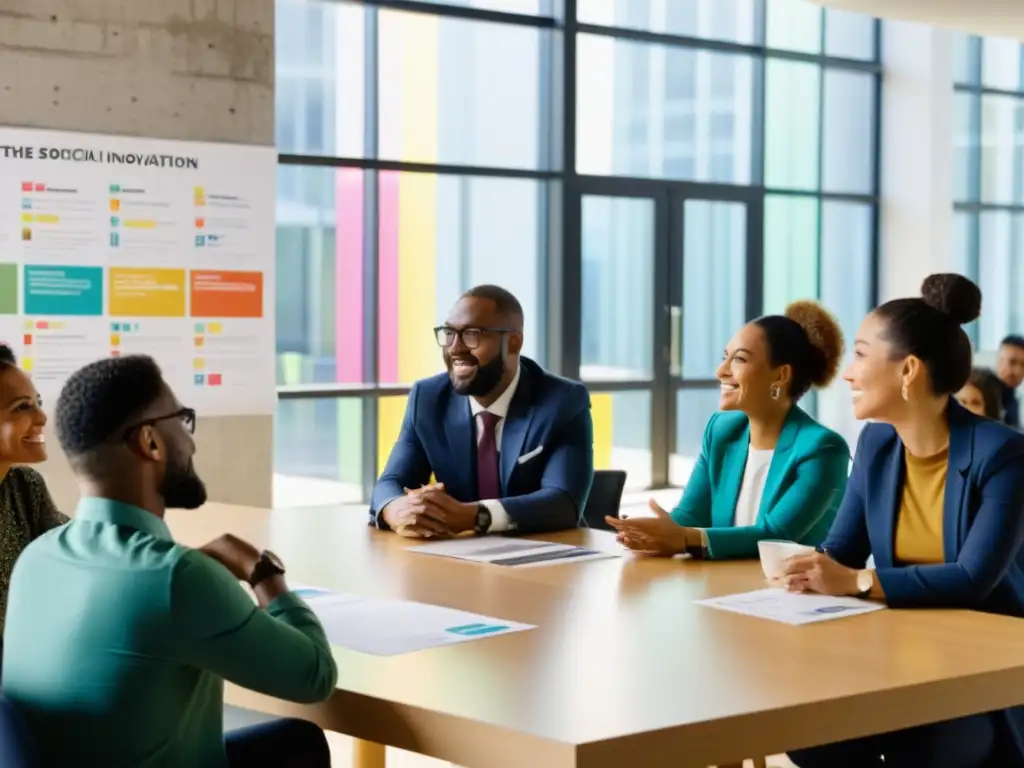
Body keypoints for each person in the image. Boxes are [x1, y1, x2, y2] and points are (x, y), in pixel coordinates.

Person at [2, 355, 338, 768]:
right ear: (150, 442)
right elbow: (315, 676)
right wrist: (262, 572)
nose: (192, 441)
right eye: (183, 421)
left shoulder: (35, 557)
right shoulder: (178, 578)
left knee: (295, 742)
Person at [780, 274, 1024, 768]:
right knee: (811, 736)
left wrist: (859, 581)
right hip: (898, 658)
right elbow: (841, 551)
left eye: (862, 354)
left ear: (908, 370)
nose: (848, 374)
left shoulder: (1004, 455)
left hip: (984, 675)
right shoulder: (877, 443)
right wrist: (805, 569)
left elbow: (972, 579)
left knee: (924, 748)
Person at [607, 301, 850, 560]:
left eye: (740, 359)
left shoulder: (823, 448)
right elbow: (690, 515)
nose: (721, 371)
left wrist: (685, 538)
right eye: (725, 357)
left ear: (780, 376)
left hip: (792, 591)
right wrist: (653, 533)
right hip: (723, 586)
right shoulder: (722, 431)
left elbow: (776, 535)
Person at [370, 285, 594, 537]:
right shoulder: (429, 398)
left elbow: (562, 503)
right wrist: (398, 509)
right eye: (449, 333)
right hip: (457, 557)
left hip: (546, 556)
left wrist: (474, 516)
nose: (455, 348)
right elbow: (390, 483)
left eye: (472, 334)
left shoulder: (562, 401)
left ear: (513, 342)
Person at [0, 344, 66, 648]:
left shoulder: (25, 485)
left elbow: (83, 547)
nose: (42, 417)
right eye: (22, 407)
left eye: (37, 403)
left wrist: (178, 559)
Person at [995, 334, 1024, 428]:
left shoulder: (1014, 400)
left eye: (1023, 365)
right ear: (999, 361)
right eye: (1012, 362)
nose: (1018, 371)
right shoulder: (979, 396)